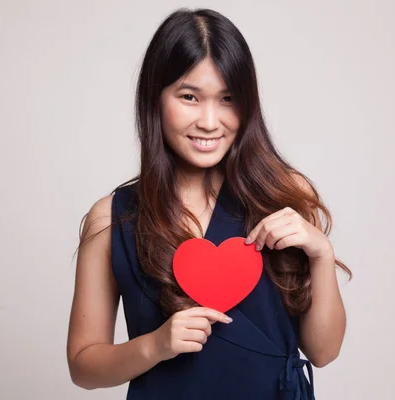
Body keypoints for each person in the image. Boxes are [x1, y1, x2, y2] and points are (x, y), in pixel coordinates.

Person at [67, 7, 351, 400]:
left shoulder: (283, 194)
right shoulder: (112, 218)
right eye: (189, 97)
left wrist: (321, 254)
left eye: (228, 99)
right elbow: (83, 367)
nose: (210, 121)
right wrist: (155, 346)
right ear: (155, 98)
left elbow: (323, 352)